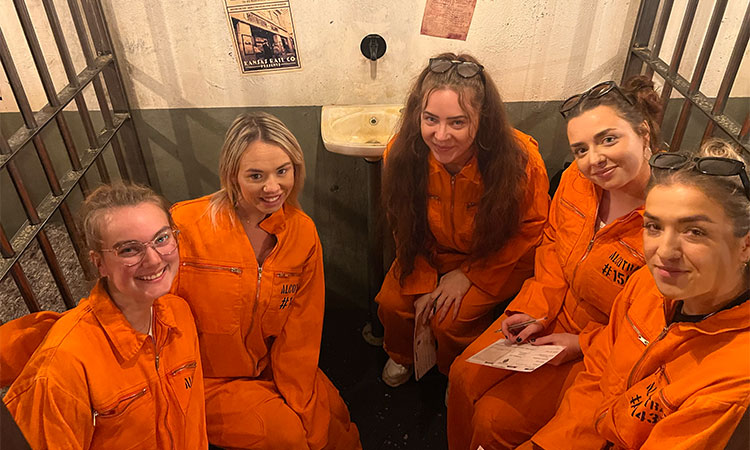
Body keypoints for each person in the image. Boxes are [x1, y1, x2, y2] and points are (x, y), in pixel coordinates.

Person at [447, 76, 663, 450]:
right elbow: (552, 247)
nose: (594, 160)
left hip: (601, 345)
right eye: (581, 149)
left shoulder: (668, 219)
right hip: (550, 312)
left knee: (493, 423)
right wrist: (534, 310)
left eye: (608, 139)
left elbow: (649, 328)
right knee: (462, 376)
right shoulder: (576, 183)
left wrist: (580, 343)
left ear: (644, 134)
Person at [524, 138, 750, 449]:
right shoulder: (648, 283)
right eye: (654, 227)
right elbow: (599, 374)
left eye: (695, 231)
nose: (665, 252)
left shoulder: (735, 376)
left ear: (745, 245)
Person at [171, 112, 361, 450]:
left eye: (282, 171)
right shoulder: (185, 224)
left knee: (331, 421)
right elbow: (159, 316)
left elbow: (300, 332)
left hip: (267, 367)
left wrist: (299, 400)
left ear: (296, 170)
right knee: (288, 437)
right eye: (256, 175)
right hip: (205, 380)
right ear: (232, 175)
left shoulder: (303, 233)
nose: (273, 188)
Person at [376, 52, 551, 387]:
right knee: (393, 304)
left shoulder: (520, 160)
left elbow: (530, 231)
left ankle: (453, 373)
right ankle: (402, 355)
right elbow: (402, 222)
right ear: (418, 115)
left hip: (494, 258)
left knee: (448, 321)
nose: (441, 136)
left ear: (482, 118)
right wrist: (425, 278)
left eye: (457, 122)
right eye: (430, 119)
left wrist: (469, 275)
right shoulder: (401, 153)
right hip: (429, 252)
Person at [3, 183, 207, 449]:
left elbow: (194, 428)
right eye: (129, 250)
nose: (155, 260)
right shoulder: (65, 365)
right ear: (99, 263)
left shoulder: (179, 314)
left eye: (161, 238)